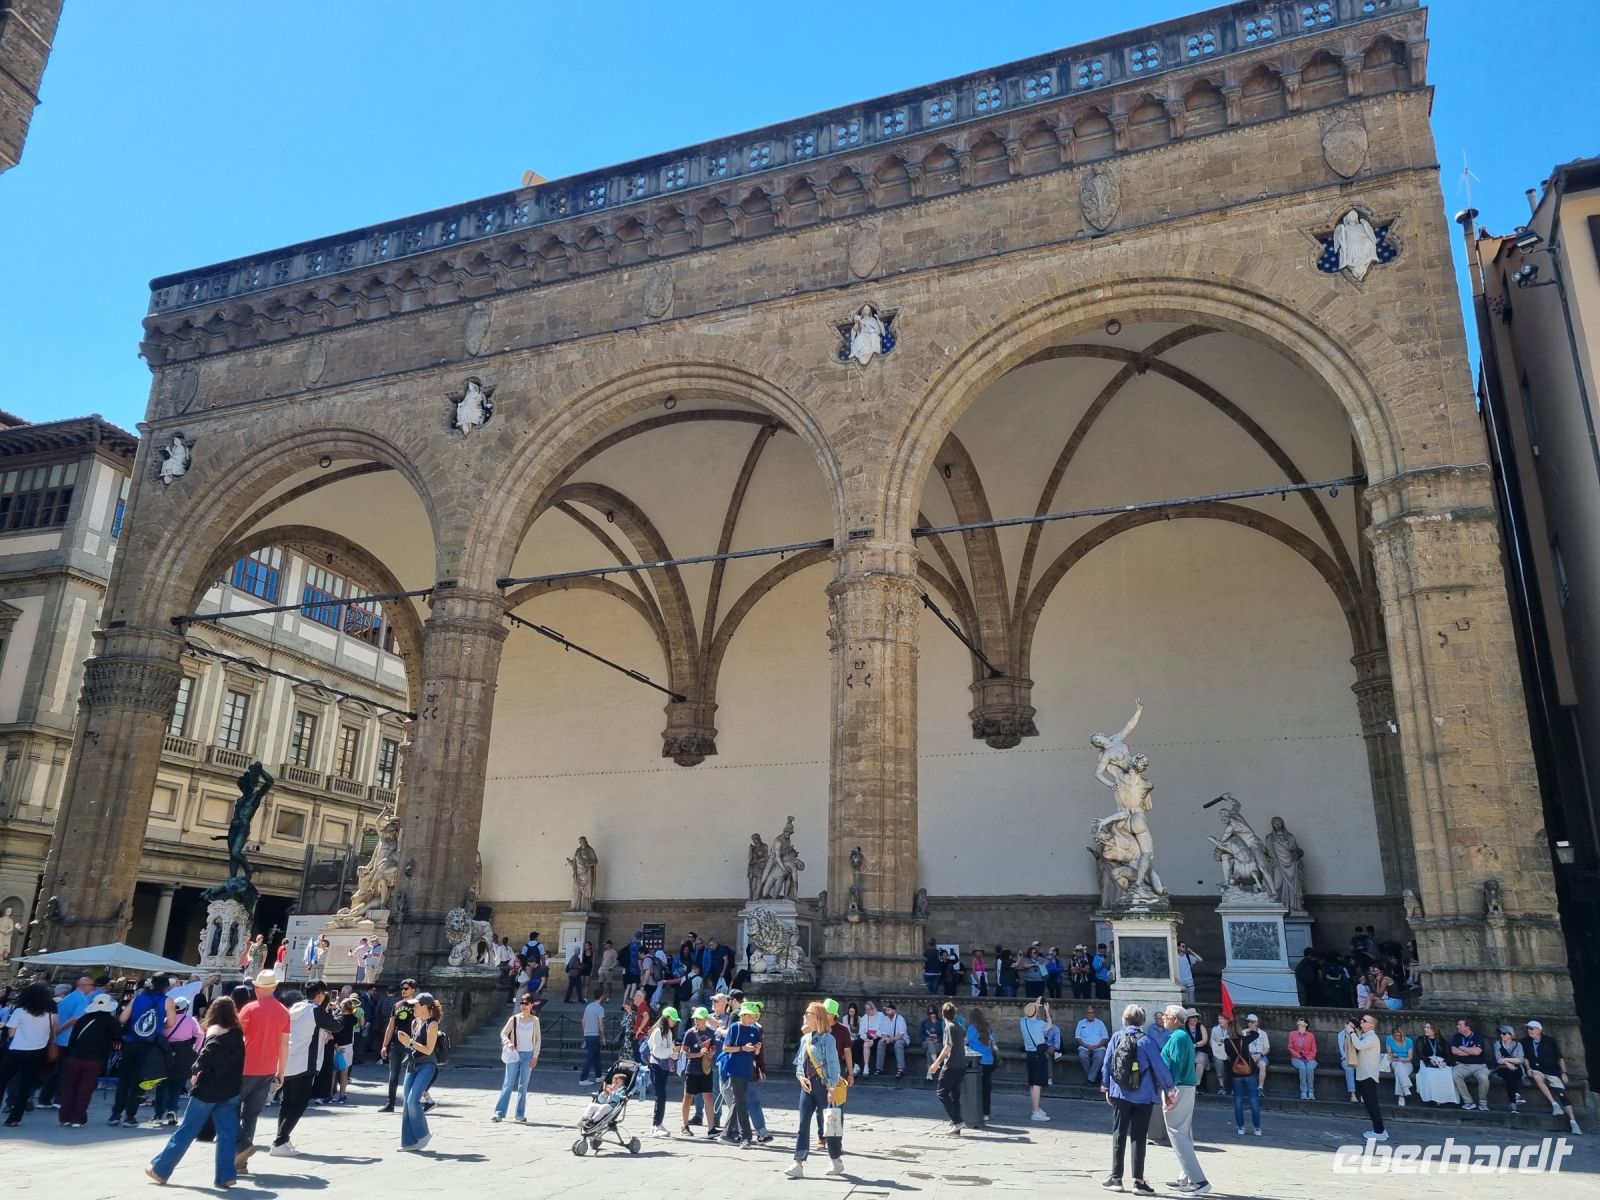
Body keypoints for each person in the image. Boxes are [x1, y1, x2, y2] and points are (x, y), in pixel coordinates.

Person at [144, 996, 245, 1189]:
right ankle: (226, 1176)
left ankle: (161, 1168)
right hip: (231, 1088)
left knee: (187, 1130)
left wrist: (196, 1068)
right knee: (227, 1133)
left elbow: (208, 1053)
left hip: (208, 1089)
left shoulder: (215, 1030)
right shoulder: (238, 1033)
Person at [1100, 1003, 1176, 1193]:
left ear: (1125, 1019)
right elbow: (1159, 1066)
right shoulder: (1147, 1041)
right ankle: (1139, 1181)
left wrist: (1106, 1086)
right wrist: (1169, 1089)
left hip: (1120, 1093)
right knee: (1139, 1137)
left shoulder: (1117, 1037)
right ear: (1143, 1021)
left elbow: (1107, 1063)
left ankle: (1116, 1178)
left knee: (1119, 1134)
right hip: (1143, 1095)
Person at [272, 982, 339, 1156]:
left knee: (287, 1102)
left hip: (288, 1060)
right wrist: (339, 1012)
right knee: (299, 1104)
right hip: (305, 1063)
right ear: (319, 995)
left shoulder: (294, 1008)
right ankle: (279, 1142)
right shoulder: (315, 1010)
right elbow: (336, 1026)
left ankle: (282, 1139)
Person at [234, 971, 289, 1176]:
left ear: (257, 988)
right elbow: (284, 1044)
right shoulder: (284, 1011)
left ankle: (242, 1146)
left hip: (244, 1068)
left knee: (228, 1108)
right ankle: (241, 1162)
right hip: (268, 1069)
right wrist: (281, 1071)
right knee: (251, 1115)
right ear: (274, 988)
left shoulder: (249, 1008)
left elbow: (235, 1038)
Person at [787, 1000, 844, 1178]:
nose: (804, 1016)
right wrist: (800, 1077)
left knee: (830, 1124)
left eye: (807, 1013)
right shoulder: (805, 1038)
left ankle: (836, 1160)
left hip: (823, 1086)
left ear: (817, 1017)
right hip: (807, 1086)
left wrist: (832, 1087)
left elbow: (833, 1064)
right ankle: (798, 1162)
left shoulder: (828, 1039)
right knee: (803, 1124)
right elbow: (799, 1062)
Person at [1158, 1005, 1211, 1196]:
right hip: (1184, 1086)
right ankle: (1186, 1176)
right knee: (1184, 1133)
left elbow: (1175, 1066)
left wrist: (1169, 1092)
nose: (1163, 1017)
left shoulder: (1178, 1037)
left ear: (1175, 1019)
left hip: (1178, 1087)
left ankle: (1199, 1180)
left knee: (1177, 1134)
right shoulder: (1181, 1036)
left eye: (1166, 1015)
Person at [56, 992, 117, 1126]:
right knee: (85, 1089)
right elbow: (118, 1036)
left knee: (70, 1087)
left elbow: (72, 1039)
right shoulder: (110, 1021)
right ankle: (78, 1118)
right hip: (94, 1059)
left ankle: (65, 1116)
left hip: (75, 1057)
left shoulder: (83, 1019)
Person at [0, 982, 57, 1126]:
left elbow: (11, 1032)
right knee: (25, 1086)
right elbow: (51, 1032)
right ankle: (15, 1118)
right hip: (38, 1052)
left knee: (3, 1080)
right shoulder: (49, 1015)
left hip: (18, 1050)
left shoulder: (20, 1012)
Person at [395, 992, 440, 1151]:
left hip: (427, 1065)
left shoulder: (432, 1024)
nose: (413, 1007)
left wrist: (410, 1042)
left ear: (424, 1007)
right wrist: (406, 1042)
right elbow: (414, 1046)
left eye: (415, 1005)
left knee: (413, 1100)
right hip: (413, 1065)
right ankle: (409, 1142)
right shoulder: (415, 1022)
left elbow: (428, 1050)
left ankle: (424, 1134)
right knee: (407, 1102)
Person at [1521, 1020, 1582, 1134]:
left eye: (1532, 1028)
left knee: (1562, 1094)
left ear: (1539, 1030)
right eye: (1528, 1028)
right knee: (1536, 1076)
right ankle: (1554, 1104)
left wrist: (1564, 1073)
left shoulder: (1549, 1041)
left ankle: (1573, 1122)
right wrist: (1528, 1068)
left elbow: (1559, 1058)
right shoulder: (1525, 1042)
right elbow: (1526, 1058)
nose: (1529, 1031)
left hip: (1551, 1070)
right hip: (1537, 1070)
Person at [155, 996, 205, 1125]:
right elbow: (200, 1035)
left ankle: (158, 1114)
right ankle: (172, 1111)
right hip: (183, 1054)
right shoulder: (191, 1020)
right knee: (177, 1085)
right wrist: (196, 1049)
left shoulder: (166, 1020)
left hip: (165, 1053)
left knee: (162, 1084)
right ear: (186, 1008)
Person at [492, 992, 540, 1123]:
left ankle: (520, 1114)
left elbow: (538, 1040)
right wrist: (508, 1043)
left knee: (523, 1085)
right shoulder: (514, 1019)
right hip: (514, 1054)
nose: (523, 1006)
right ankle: (499, 1113)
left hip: (528, 1054)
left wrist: (535, 1056)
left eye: (526, 1003)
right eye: (521, 1003)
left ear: (531, 1005)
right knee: (508, 1083)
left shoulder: (535, 1020)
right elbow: (503, 1033)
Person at [720, 1001, 762, 1146]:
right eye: (750, 1016)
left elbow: (757, 1052)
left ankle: (725, 1134)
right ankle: (746, 1136)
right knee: (741, 1103)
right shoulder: (734, 1027)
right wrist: (742, 1048)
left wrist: (757, 1048)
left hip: (747, 1070)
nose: (753, 1018)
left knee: (737, 1102)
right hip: (735, 1069)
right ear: (743, 1016)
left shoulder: (755, 1030)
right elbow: (726, 1048)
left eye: (754, 1016)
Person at [928, 1000, 968, 1136]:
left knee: (941, 1093)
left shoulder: (949, 1027)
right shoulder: (959, 1026)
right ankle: (955, 1125)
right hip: (961, 1065)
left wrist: (936, 1063)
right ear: (954, 1013)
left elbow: (948, 1046)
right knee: (955, 1095)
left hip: (951, 1065)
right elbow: (964, 1039)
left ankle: (957, 1121)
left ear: (942, 1014)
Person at [379, 979, 418, 1112]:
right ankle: (390, 1103)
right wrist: (384, 1045)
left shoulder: (417, 1005)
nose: (403, 991)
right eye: (402, 988)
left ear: (413, 990)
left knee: (412, 1074)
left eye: (406, 988)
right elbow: (390, 1026)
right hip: (396, 1044)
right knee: (393, 1075)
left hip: (411, 1044)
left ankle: (412, 1103)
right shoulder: (397, 1005)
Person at [1348, 1012, 1387, 1141]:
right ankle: (1379, 1129)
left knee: (1372, 1104)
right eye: (1362, 1020)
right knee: (1370, 1104)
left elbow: (1359, 1046)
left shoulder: (1372, 1037)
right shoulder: (1365, 1036)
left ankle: (1379, 1131)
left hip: (1368, 1075)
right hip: (1363, 1074)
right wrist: (1356, 1034)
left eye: (1364, 1021)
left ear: (1371, 1025)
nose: (1361, 1022)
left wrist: (1352, 1033)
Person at [1221, 1019, 1262, 1136]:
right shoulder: (1244, 1039)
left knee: (1238, 1100)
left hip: (1236, 1073)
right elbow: (1256, 1034)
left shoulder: (1227, 1042)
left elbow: (1228, 1056)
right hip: (1250, 1072)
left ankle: (1240, 1127)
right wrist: (1248, 1029)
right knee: (1253, 1100)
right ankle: (1257, 1129)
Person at [644, 1006, 680, 1136]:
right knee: (660, 1095)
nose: (674, 1022)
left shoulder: (669, 1032)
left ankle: (658, 1123)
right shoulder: (658, 1032)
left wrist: (676, 1053)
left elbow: (670, 1051)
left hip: (664, 1066)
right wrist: (672, 1051)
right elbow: (657, 1052)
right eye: (672, 1019)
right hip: (656, 1066)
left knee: (662, 1095)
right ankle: (655, 1125)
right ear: (666, 1018)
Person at [680, 1007, 717, 1135]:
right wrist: (698, 1054)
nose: (696, 1020)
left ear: (706, 1019)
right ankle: (685, 1126)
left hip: (706, 1070)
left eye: (699, 1018)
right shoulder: (690, 1033)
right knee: (688, 1097)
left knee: (709, 1097)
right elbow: (683, 1052)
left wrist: (712, 1052)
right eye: (695, 1018)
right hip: (692, 1070)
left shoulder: (711, 1032)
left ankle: (711, 1129)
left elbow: (714, 1047)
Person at [1020, 1000, 1052, 1121]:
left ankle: (1036, 1107)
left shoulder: (1022, 1022)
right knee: (1037, 1084)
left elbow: (1029, 1013)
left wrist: (1036, 1004)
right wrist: (1047, 1011)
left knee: (1032, 1083)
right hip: (1038, 1055)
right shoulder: (1040, 1024)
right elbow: (1050, 1026)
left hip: (1029, 1055)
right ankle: (1036, 1111)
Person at [1449, 1017, 1490, 1110]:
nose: (1457, 1026)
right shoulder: (1457, 1036)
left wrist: (1461, 1047)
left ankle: (1483, 1103)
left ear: (1467, 1027)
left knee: (1484, 1078)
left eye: (1460, 1025)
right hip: (1462, 1065)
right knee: (1454, 1075)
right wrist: (1469, 1051)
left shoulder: (1477, 1037)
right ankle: (1468, 1101)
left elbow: (1477, 1052)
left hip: (1479, 1066)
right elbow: (1453, 1050)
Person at [1414, 1021, 1456, 1105]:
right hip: (1426, 1061)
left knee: (1447, 1074)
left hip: (1440, 1062)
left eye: (1428, 1028)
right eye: (1425, 1027)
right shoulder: (1421, 1040)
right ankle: (1434, 1098)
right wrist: (1429, 1060)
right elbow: (1420, 1054)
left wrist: (1445, 1062)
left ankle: (1444, 1097)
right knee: (1430, 1074)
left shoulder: (1443, 1042)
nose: (1425, 1029)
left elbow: (1449, 1056)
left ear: (1434, 1030)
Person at [966, 1008, 997, 1121]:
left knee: (975, 1088)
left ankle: (975, 1110)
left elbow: (966, 1042)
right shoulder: (988, 1027)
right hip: (989, 1061)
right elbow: (993, 1041)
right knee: (986, 1088)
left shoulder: (971, 1028)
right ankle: (986, 1112)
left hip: (977, 1062)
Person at [1492, 1026, 1526, 1111]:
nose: (1501, 1035)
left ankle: (1513, 1104)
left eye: (1504, 1033)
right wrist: (1508, 1064)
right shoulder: (1498, 1044)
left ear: (1511, 1035)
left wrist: (1506, 1060)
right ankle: (1516, 1096)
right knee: (1509, 1074)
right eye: (1500, 1034)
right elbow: (1498, 1059)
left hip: (1517, 1068)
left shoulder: (1518, 1045)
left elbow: (1520, 1059)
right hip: (1502, 1068)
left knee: (1511, 1075)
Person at [579, 985, 607, 1085]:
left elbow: (583, 1021)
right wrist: (603, 1037)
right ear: (601, 997)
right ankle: (583, 1078)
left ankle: (599, 1075)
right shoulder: (600, 1008)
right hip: (594, 1034)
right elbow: (601, 1024)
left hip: (587, 1034)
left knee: (596, 1056)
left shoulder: (588, 1007)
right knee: (591, 1057)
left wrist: (585, 1033)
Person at [1076, 1003, 1110, 1085]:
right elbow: (1077, 1037)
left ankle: (1090, 1079)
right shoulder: (1080, 1023)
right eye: (1089, 1013)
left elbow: (1105, 1038)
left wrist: (1097, 1046)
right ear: (1086, 1014)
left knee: (1100, 1056)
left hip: (1099, 1047)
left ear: (1095, 1013)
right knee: (1082, 1056)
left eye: (1092, 1012)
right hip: (1084, 1047)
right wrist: (1085, 1045)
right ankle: (1093, 1077)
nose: (1091, 1014)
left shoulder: (1100, 1023)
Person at [1288, 1016, 1317, 1101]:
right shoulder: (1292, 1034)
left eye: (1302, 1019)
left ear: (1306, 1024)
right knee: (1302, 1068)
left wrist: (1308, 1057)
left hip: (1310, 1058)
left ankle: (1311, 1092)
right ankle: (1303, 1092)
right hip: (1296, 1058)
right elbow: (1290, 1047)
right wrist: (1298, 1056)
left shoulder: (1311, 1035)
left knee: (1309, 1068)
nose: (1300, 1020)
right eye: (1299, 1019)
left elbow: (1314, 1050)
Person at [876, 1001, 908, 1078]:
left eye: (889, 1010)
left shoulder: (900, 1019)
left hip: (901, 1040)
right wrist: (885, 1039)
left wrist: (891, 1039)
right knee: (880, 1042)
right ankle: (879, 1068)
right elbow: (884, 1033)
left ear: (894, 1011)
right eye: (886, 1010)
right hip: (890, 1039)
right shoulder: (885, 1019)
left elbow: (901, 1035)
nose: (887, 1012)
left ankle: (901, 1069)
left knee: (898, 1043)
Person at [1386, 1023, 1415, 1107]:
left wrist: (1403, 1060)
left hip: (1407, 1062)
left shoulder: (1408, 1041)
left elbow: (1410, 1057)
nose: (1396, 1037)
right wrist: (1394, 1056)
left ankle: (1401, 1095)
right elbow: (1389, 1053)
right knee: (1398, 1065)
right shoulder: (1389, 1039)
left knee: (1399, 1073)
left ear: (1402, 1034)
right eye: (1395, 1035)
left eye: (1398, 1035)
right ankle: (1404, 1090)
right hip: (1395, 1061)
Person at [1185, 1011, 1212, 1096]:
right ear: (1188, 1018)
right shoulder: (1184, 1027)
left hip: (1201, 1050)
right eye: (1193, 1017)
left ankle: (1196, 1085)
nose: (1195, 1019)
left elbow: (1205, 1040)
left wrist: (1195, 1044)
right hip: (1188, 1051)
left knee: (1199, 1060)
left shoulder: (1201, 1026)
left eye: (1196, 1017)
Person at [1243, 1014, 1270, 1095]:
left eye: (1252, 1022)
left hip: (1260, 1055)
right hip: (1248, 1055)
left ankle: (1260, 1088)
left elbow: (1267, 1048)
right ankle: (1241, 1088)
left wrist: (1259, 1055)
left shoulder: (1263, 1033)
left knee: (1262, 1064)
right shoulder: (1244, 1032)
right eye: (1248, 1021)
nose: (1250, 1023)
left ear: (1257, 1023)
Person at [920, 1006, 943, 1077]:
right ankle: (936, 1062)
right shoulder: (924, 1022)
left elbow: (944, 1034)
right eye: (931, 1014)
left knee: (929, 1051)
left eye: (934, 1013)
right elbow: (921, 1035)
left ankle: (929, 1073)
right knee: (930, 1043)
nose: (933, 1015)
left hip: (938, 1043)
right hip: (926, 1042)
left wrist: (938, 1039)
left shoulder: (941, 1021)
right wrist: (927, 1038)